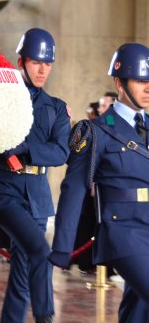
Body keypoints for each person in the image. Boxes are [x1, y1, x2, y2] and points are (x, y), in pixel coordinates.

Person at [51, 42, 149, 323]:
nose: (147, 87)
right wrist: (62, 247)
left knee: (139, 311)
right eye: (140, 80)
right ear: (119, 82)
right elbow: (73, 189)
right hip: (123, 232)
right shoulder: (95, 131)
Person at [0, 28, 70, 323]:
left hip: (37, 196)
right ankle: (45, 316)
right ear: (21, 62)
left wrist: (23, 148)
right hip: (6, 192)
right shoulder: (1, 100)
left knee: (23, 272)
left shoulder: (57, 109)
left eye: (47, 63)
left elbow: (61, 153)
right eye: (36, 62)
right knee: (40, 250)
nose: (43, 69)